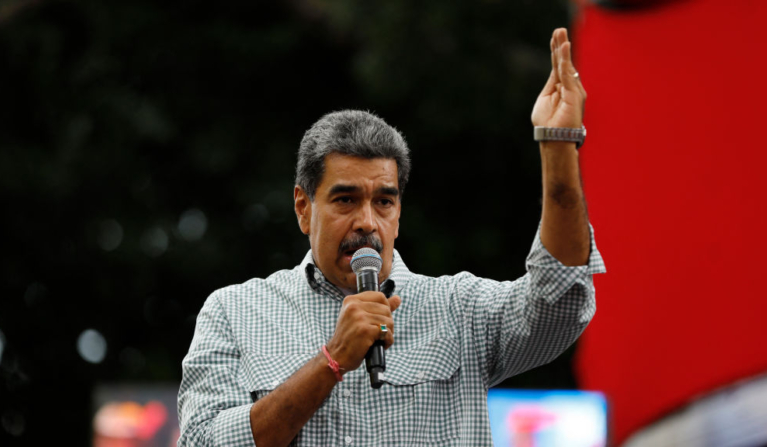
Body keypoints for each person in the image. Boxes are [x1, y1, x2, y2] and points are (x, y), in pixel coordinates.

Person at [177, 28, 605, 446]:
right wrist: (332, 360)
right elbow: (202, 441)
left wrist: (557, 145)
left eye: (383, 201)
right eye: (345, 200)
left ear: (398, 213)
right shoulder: (234, 312)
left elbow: (561, 300)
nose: (367, 221)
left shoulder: (460, 310)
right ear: (303, 208)